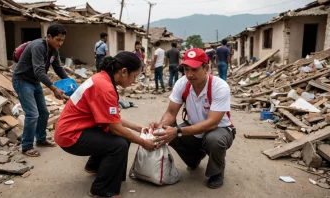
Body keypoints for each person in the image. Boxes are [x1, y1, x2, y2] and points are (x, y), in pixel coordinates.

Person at [54, 52, 155, 198]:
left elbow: (111, 120)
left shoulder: (102, 79)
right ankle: (102, 190)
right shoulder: (105, 88)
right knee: (119, 143)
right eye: (134, 76)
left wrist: (138, 128)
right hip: (70, 135)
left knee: (122, 135)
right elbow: (116, 129)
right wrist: (144, 142)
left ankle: (95, 167)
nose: (134, 81)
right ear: (123, 71)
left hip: (73, 129)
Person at [150, 48, 235, 189]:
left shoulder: (219, 87)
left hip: (219, 129)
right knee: (166, 134)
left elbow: (212, 123)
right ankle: (194, 159)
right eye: (186, 69)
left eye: (194, 70)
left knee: (214, 140)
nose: (189, 74)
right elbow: (171, 113)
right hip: (193, 127)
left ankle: (217, 172)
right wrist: (161, 126)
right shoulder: (182, 84)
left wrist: (177, 131)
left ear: (206, 68)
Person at [12, 24, 69, 157]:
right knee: (32, 114)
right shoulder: (38, 46)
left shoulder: (54, 49)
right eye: (58, 39)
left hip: (34, 82)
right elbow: (39, 71)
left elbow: (58, 68)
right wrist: (54, 88)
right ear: (49, 36)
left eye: (62, 40)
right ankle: (26, 147)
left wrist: (70, 83)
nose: (60, 43)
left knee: (44, 112)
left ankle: (41, 139)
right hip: (22, 80)